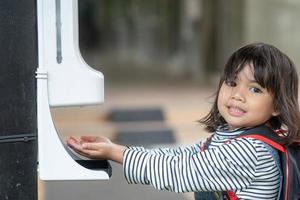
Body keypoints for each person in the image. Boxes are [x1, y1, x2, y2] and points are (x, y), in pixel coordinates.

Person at [67, 43, 300, 200]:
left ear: (278, 105)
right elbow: (180, 156)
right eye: (231, 82)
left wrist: (116, 153)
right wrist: (115, 148)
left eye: (255, 89)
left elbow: (180, 171)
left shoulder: (251, 151)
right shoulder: (234, 139)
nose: (237, 95)